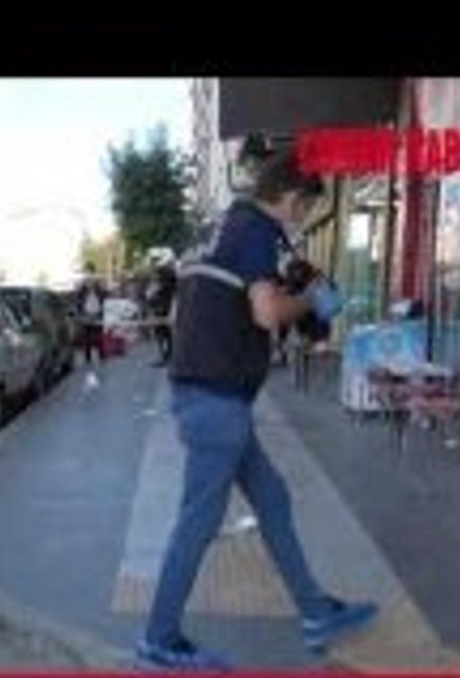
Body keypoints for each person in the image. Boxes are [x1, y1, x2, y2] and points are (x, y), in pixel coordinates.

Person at [136, 148, 376, 670]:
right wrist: (312, 301)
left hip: (209, 395)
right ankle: (159, 639)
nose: (303, 218)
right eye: (306, 207)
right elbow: (267, 313)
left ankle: (315, 611)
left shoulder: (217, 227)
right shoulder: (255, 231)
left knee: (273, 500)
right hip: (217, 401)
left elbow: (193, 307)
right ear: (290, 195)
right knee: (198, 522)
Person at [75, 264, 107, 384]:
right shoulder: (82, 286)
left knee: (98, 336)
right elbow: (78, 298)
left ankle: (102, 356)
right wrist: (82, 287)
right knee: (87, 338)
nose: (88, 275)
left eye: (89, 272)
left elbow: (104, 295)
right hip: (86, 314)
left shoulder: (98, 284)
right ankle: (88, 359)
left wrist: (97, 286)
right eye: (86, 272)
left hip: (97, 313)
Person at [146, 263, 177, 367]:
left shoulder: (162, 286)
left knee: (163, 336)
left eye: (156, 274)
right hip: (163, 312)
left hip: (162, 312)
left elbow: (151, 297)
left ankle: (166, 356)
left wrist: (152, 295)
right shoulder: (168, 285)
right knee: (166, 336)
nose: (155, 277)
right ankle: (168, 355)